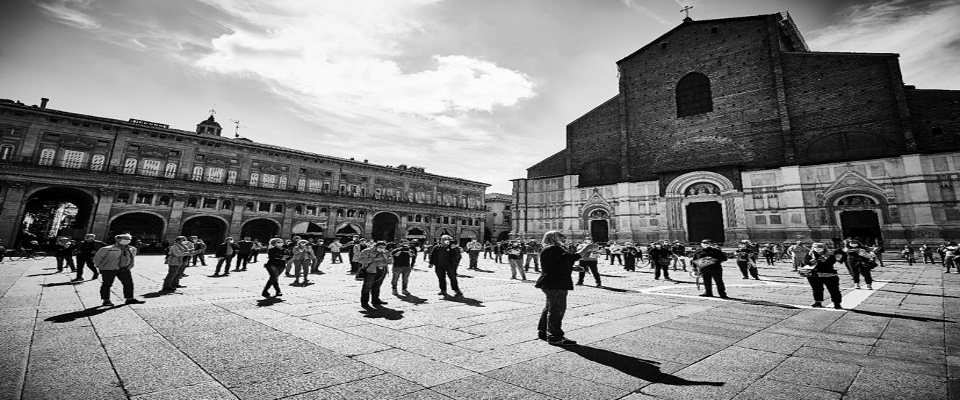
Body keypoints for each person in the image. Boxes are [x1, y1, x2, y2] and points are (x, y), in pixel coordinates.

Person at [536, 230, 598, 346]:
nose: (563, 238)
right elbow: (572, 257)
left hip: (551, 282)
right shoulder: (552, 249)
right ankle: (555, 337)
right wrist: (586, 248)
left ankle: (543, 331)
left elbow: (559, 262)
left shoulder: (551, 249)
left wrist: (573, 268)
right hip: (555, 283)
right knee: (557, 310)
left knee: (550, 307)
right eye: (560, 236)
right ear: (553, 238)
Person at [93, 234, 144, 306]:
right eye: (124, 238)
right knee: (107, 284)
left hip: (124, 269)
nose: (126, 240)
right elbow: (97, 259)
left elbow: (131, 258)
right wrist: (102, 267)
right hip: (109, 269)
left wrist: (130, 266)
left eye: (128, 239)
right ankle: (106, 300)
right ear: (117, 240)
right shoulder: (107, 249)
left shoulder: (132, 249)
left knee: (128, 283)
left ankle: (129, 298)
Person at [801, 242, 843, 309]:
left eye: (820, 247)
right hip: (814, 275)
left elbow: (832, 261)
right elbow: (805, 262)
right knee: (817, 289)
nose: (817, 249)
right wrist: (810, 262)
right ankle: (818, 302)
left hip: (829, 274)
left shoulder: (829, 255)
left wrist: (825, 261)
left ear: (824, 248)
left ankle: (837, 303)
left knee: (834, 289)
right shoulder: (810, 254)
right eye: (816, 247)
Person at [357, 241, 391, 308]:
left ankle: (375, 300)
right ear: (375, 246)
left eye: (383, 248)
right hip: (371, 271)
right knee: (367, 287)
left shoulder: (385, 252)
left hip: (382, 270)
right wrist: (374, 259)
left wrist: (386, 257)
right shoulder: (367, 251)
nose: (382, 249)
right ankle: (364, 302)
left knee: (377, 286)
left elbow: (390, 261)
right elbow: (361, 260)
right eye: (380, 247)